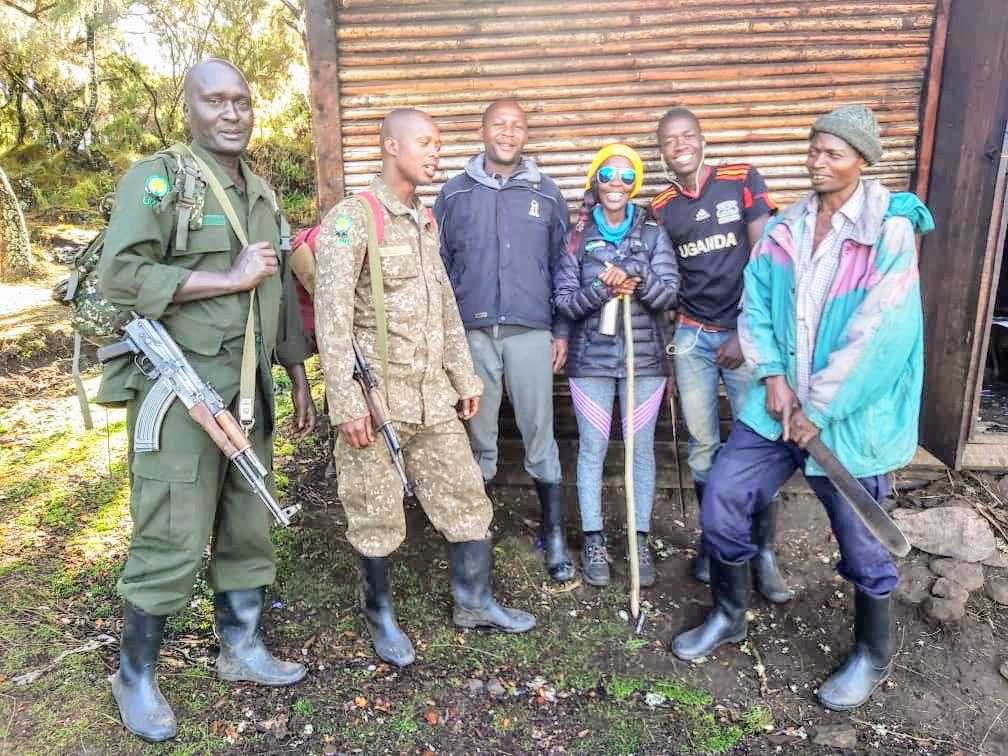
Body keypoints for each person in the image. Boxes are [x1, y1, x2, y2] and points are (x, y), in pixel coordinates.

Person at [670, 105, 931, 712]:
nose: (817, 161)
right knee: (724, 494)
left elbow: (881, 333)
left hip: (848, 419)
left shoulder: (887, 232)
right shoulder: (786, 228)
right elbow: (755, 308)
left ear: (861, 162)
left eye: (832, 153)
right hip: (777, 408)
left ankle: (872, 651)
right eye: (813, 150)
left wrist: (819, 406)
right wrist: (774, 378)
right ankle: (730, 611)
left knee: (864, 540)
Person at [96, 59, 316, 742]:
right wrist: (225, 276)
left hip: (248, 393)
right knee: (171, 534)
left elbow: (273, 288)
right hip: (181, 394)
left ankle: (241, 647)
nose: (232, 113)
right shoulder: (160, 180)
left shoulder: (261, 191)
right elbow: (121, 276)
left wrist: (297, 372)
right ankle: (133, 675)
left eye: (242, 102)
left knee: (248, 524)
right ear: (187, 108)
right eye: (215, 101)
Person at [313, 108, 535, 669]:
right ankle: (380, 615)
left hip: (430, 394)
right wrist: (345, 402)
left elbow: (444, 306)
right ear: (390, 146)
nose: (436, 152)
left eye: (439, 143)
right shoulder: (354, 218)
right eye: (426, 143)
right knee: (376, 510)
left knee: (465, 495)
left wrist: (465, 376)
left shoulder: (422, 220)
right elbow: (332, 317)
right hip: (375, 399)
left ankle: (475, 602)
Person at [650, 107, 790, 603]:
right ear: (663, 151)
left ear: (702, 139)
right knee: (703, 443)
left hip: (742, 336)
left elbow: (764, 260)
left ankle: (763, 552)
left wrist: (745, 332)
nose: (680, 145)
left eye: (688, 135)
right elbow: (664, 276)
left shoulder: (741, 180)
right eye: (670, 140)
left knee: (761, 442)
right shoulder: (662, 207)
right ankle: (715, 542)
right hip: (691, 338)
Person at [435, 99, 574, 583]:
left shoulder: (548, 193)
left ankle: (553, 534)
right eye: (500, 124)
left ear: (526, 134)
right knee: (479, 435)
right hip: (473, 335)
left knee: (541, 431)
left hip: (531, 331)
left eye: (517, 126)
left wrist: (561, 329)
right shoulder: (454, 194)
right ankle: (477, 537)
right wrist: (444, 340)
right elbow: (441, 270)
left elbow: (563, 266)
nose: (508, 133)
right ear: (482, 131)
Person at [552, 144, 680, 587]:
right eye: (608, 174)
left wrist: (637, 283)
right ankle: (593, 538)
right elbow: (565, 301)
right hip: (591, 363)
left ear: (636, 184)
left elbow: (669, 296)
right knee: (592, 449)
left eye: (628, 177)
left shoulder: (651, 234)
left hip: (643, 362)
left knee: (640, 451)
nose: (616, 184)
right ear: (595, 178)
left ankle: (638, 537)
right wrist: (605, 291)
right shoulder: (577, 235)